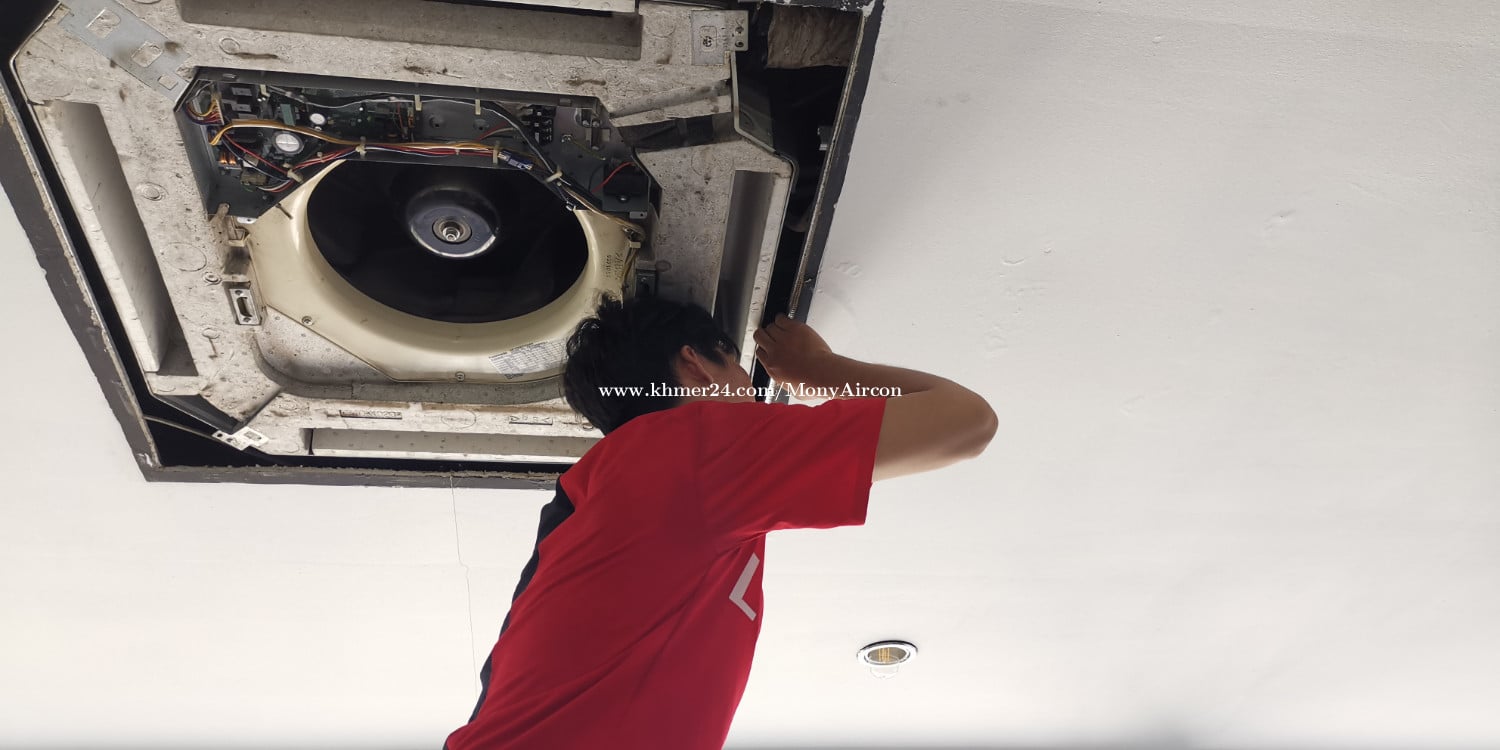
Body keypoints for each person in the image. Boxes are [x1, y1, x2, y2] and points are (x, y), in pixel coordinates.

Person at [444, 296, 997, 750]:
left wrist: (820, 376)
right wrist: (822, 373)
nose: (757, 395)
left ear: (693, 364)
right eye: (743, 372)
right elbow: (964, 420)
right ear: (695, 364)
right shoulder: (686, 458)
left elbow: (966, 423)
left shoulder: (674, 466)